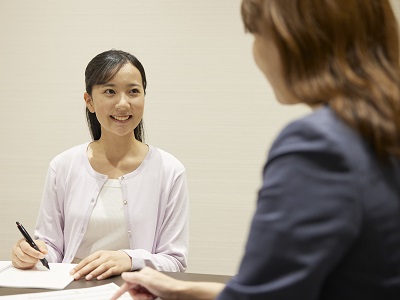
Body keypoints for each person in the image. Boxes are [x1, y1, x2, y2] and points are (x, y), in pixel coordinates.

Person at [112, 0, 400, 299]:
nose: (256, 54)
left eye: (257, 34)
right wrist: (182, 289)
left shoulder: (319, 144)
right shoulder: (383, 126)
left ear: (295, 36)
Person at [11, 49, 189, 281]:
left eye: (133, 91)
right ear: (90, 101)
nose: (123, 103)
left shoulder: (170, 170)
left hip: (134, 292)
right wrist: (30, 254)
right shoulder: (63, 165)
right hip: (71, 289)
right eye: (110, 91)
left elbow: (175, 262)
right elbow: (51, 249)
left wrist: (129, 259)